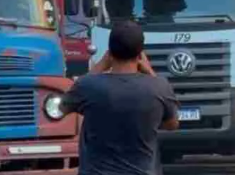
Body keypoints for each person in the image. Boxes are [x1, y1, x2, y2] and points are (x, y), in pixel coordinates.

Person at [61, 20, 179, 175]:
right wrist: (149, 71)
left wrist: (100, 65)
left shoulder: (88, 86)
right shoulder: (159, 86)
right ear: (140, 54)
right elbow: (172, 124)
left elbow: (62, 107)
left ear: (109, 52)